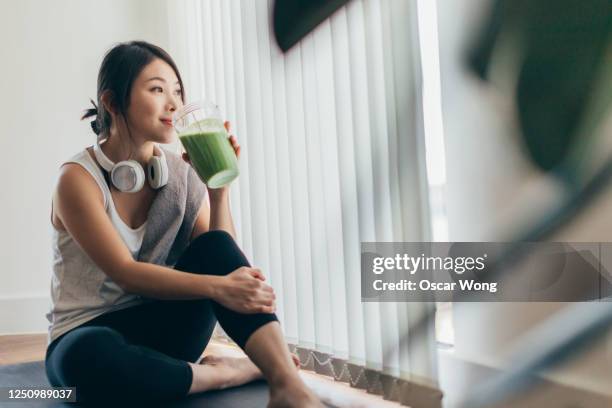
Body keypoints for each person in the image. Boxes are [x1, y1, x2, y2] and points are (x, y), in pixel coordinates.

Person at [44, 40, 322, 407]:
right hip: (87, 334)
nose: (173, 103)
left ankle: (286, 383)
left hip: (163, 328)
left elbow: (221, 253)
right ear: (112, 102)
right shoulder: (78, 180)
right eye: (157, 89)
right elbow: (125, 272)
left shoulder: (179, 173)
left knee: (212, 246)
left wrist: (216, 190)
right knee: (88, 359)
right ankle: (231, 372)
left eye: (176, 90)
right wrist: (219, 288)